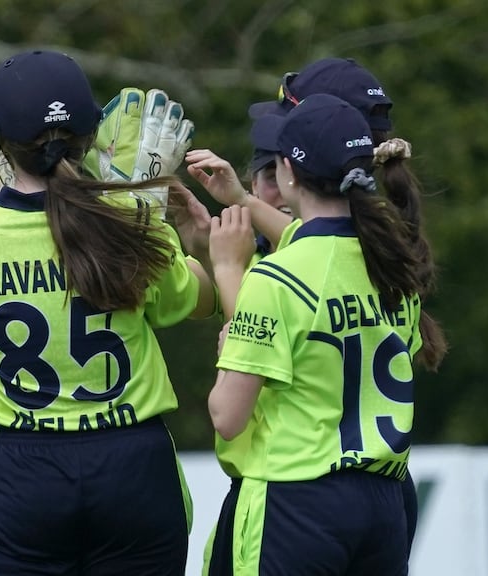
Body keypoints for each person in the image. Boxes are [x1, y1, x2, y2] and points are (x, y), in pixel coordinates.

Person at [0, 50, 217, 575]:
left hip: (26, 467)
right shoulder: (131, 217)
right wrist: (151, 214)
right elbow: (199, 299)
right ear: (91, 134)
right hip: (133, 464)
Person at [190, 57, 447, 557]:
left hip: (297, 499)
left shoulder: (277, 275)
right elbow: (316, 245)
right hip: (382, 497)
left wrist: (227, 273)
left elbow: (227, 414)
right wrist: (240, 198)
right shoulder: (395, 262)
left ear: (288, 169)